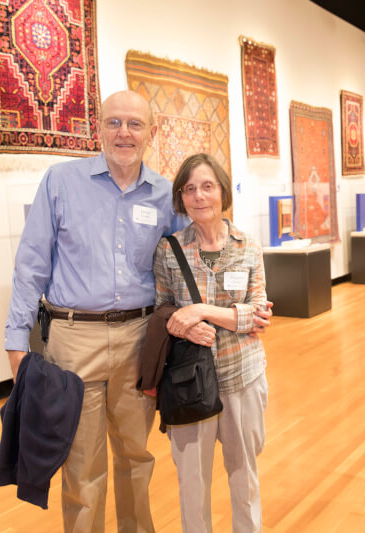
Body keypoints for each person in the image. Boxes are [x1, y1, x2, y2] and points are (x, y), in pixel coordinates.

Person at [4, 90, 179, 532]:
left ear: (151, 133)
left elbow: (185, 260)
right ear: (97, 128)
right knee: (81, 465)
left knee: (136, 455)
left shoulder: (163, 194)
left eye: (135, 124)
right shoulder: (61, 182)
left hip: (139, 338)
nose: (124, 133)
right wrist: (15, 342)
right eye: (114, 122)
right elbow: (30, 266)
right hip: (73, 338)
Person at [153, 153, 270, 533]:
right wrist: (184, 326)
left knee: (245, 478)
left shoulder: (247, 246)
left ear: (222, 190)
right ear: (180, 197)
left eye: (207, 186)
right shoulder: (169, 250)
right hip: (189, 384)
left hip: (243, 376)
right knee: (192, 484)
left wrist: (201, 311)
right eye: (189, 189)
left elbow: (256, 316)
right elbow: (162, 312)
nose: (199, 196)